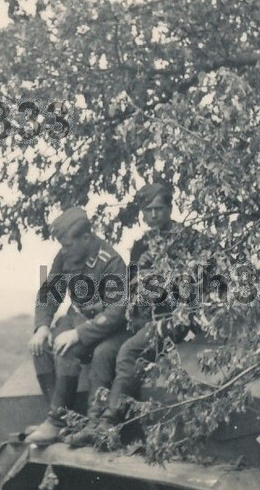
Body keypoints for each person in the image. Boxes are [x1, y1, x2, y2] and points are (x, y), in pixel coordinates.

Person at [65, 181, 215, 447]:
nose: (154, 215)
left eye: (159, 208)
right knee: (102, 353)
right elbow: (131, 288)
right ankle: (93, 421)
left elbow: (208, 279)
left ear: (170, 208)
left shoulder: (191, 240)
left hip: (174, 320)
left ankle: (110, 422)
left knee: (129, 353)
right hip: (142, 319)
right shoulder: (140, 246)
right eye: (148, 210)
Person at [26, 207, 131, 444]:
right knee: (42, 347)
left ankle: (57, 420)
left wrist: (78, 335)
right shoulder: (66, 256)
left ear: (86, 238)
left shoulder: (111, 262)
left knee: (67, 350)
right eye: (62, 246)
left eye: (68, 245)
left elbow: (116, 313)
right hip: (76, 317)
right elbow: (49, 294)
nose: (63, 250)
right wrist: (42, 326)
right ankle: (61, 414)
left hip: (104, 328)